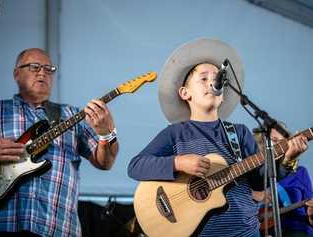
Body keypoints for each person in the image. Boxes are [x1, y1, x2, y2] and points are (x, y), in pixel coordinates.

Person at [127, 38, 308, 237]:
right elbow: (135, 166)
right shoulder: (175, 134)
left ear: (223, 94)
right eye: (204, 78)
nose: (213, 82)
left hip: (245, 231)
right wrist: (177, 162)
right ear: (185, 93)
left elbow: (260, 183)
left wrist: (288, 159)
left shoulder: (239, 133)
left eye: (217, 78)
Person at [0, 48, 119, 236]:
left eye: (49, 69)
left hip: (58, 230)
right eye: (34, 67)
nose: (42, 73)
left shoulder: (72, 115)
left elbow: (105, 162)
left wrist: (107, 134)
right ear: (16, 74)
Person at [253, 126, 313, 236]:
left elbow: (310, 209)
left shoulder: (300, 172)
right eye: (273, 140)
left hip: (296, 229)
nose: (278, 146)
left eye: (283, 142)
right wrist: (252, 195)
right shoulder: (252, 174)